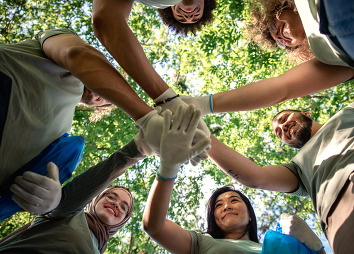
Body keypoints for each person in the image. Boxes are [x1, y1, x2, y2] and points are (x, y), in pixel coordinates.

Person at [0, 28, 209, 218]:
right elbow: (77, 55)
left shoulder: (63, 140)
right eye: (112, 85)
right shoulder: (49, 51)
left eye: (108, 101)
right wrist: (147, 117)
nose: (105, 96)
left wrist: (50, 203)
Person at [0, 104, 210, 253]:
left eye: (124, 208)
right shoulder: (67, 214)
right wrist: (139, 148)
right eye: (111, 197)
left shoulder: (98, 248)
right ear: (93, 201)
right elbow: (93, 182)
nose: (116, 205)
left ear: (123, 222)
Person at [206, 103, 354, 253]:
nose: (282, 127)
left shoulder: (347, 113)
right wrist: (201, 136)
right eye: (278, 133)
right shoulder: (298, 168)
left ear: (305, 113)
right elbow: (256, 177)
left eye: (284, 119)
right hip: (342, 213)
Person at [143, 183, 325, 253]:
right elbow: (154, 226)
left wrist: (315, 248)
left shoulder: (273, 245)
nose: (226, 206)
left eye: (234, 200)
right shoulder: (201, 242)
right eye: (218, 205)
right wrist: (169, 165)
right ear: (213, 218)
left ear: (250, 216)